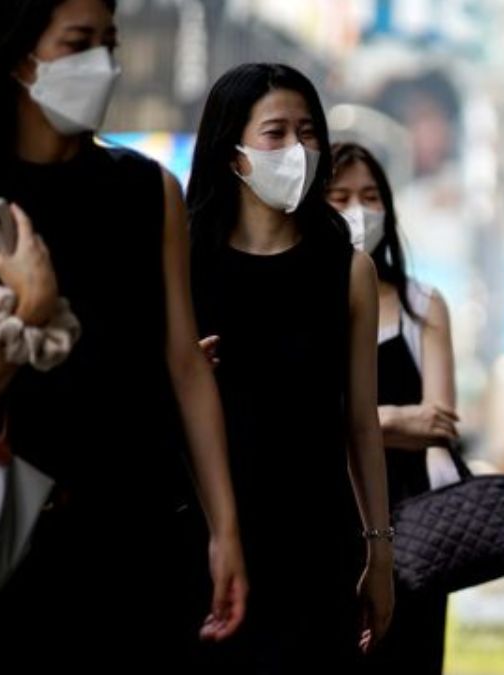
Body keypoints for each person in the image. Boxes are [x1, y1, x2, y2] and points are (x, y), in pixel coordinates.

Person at [0, 0, 246, 672]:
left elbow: (185, 367)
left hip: (138, 539)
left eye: (109, 41)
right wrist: (29, 314)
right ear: (17, 58)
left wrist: (225, 527)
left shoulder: (149, 190)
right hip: (3, 547)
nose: (103, 63)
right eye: (78, 42)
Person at [188, 65, 394, 672]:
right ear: (233, 152)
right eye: (275, 133)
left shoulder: (348, 270)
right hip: (201, 538)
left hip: (316, 544)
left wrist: (379, 553)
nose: (297, 149)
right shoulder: (183, 262)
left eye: (307, 132)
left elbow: (361, 423)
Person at [327, 142, 459, 674]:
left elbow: (440, 423)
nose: (358, 210)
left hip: (414, 527)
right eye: (339, 197)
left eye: (370, 196)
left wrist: (352, 424)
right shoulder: (303, 304)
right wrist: (400, 418)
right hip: (329, 517)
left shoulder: (421, 305)